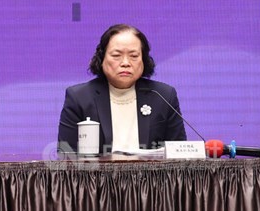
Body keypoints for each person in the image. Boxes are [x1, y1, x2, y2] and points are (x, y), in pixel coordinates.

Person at [58, 24, 187, 154]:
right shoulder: (79, 98)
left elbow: (180, 154)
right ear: (102, 58)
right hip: (96, 174)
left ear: (144, 60)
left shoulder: (163, 95)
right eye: (116, 55)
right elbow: (66, 155)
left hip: (153, 174)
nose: (125, 63)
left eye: (134, 56)